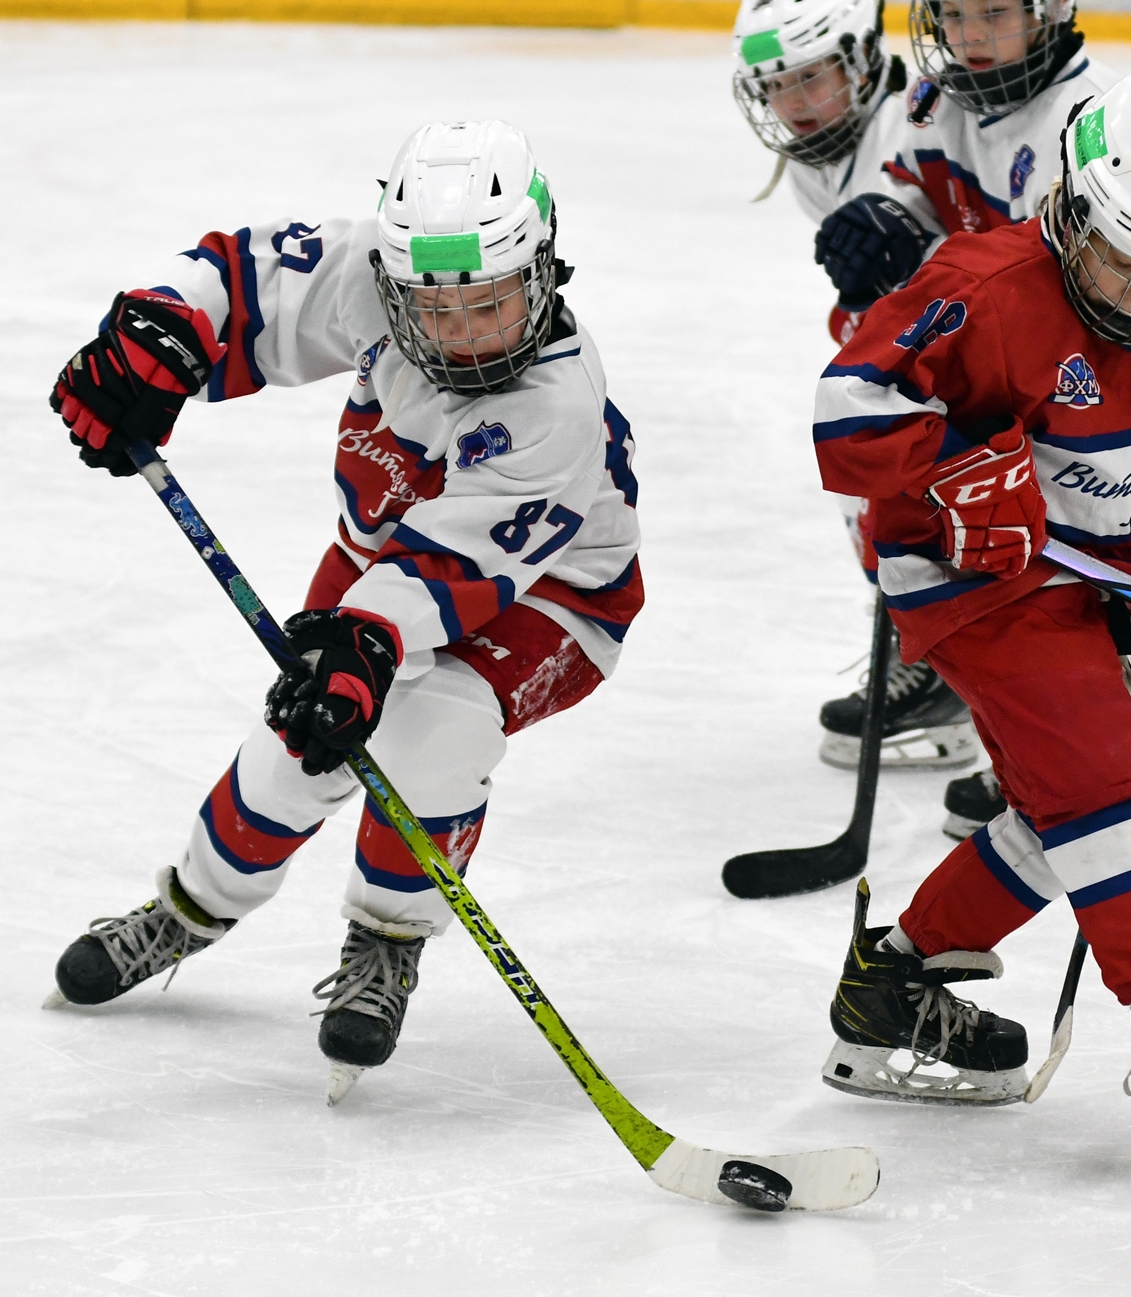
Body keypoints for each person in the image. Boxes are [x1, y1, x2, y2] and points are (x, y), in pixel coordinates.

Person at [43, 120, 645, 1106]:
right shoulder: (379, 271)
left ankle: (386, 939)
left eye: (490, 305)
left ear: (541, 271)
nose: (460, 334)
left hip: (550, 597)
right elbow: (239, 280)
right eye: (434, 310)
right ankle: (190, 909)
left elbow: (452, 574)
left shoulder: (557, 407)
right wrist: (149, 341)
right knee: (294, 751)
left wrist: (365, 645)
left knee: (436, 727)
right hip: (378, 566)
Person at [811, 76, 1131, 1174]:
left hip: (1083, 573)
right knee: (1107, 779)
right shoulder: (983, 282)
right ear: (1072, 213)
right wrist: (949, 479)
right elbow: (849, 406)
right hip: (964, 578)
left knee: (1067, 804)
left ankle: (896, 983)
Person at [733, 0, 981, 776]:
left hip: (993, 352)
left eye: (814, 78)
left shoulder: (918, 124)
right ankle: (938, 650)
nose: (798, 105)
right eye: (778, 87)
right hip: (923, 343)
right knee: (861, 473)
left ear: (863, 58)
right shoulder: (824, 155)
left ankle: (973, 660)